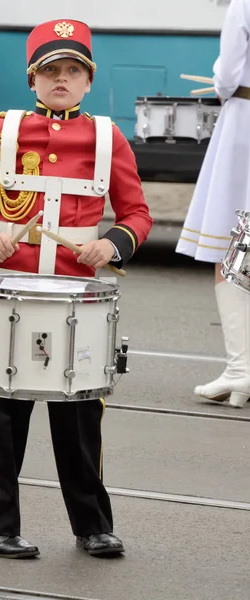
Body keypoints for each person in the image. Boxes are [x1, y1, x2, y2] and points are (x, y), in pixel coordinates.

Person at [0, 19, 152, 559]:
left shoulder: (107, 137)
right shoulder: (3, 131)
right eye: (50, 71)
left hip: (77, 298)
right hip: (13, 289)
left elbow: (136, 213)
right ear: (32, 80)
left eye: (72, 71)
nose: (60, 80)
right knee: (5, 414)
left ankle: (91, 525)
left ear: (87, 81)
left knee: (81, 417)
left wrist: (111, 246)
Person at [176, 0, 250, 408]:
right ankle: (242, 376)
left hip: (245, 123)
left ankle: (241, 370)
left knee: (232, 246)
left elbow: (225, 75)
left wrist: (227, 90)